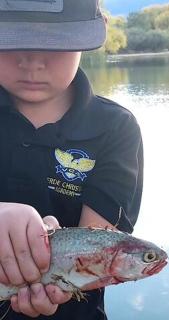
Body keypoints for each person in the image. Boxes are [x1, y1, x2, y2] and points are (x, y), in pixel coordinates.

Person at [0, 0, 143, 319]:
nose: (32, 62)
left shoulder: (116, 129)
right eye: (13, 42)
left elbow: (97, 254)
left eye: (54, 42)